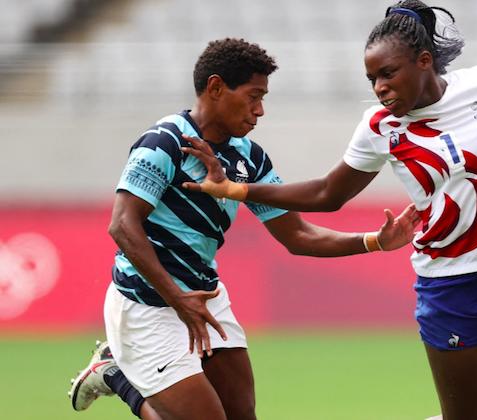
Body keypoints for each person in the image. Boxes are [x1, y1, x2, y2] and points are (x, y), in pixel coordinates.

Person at [181, 2, 477, 419]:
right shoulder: (379, 127)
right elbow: (327, 193)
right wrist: (235, 189)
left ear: (424, 61)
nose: (380, 88)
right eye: (372, 79)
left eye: (388, 74)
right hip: (450, 287)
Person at [67, 37, 420, 420]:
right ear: (216, 88)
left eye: (262, 98)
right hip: (148, 304)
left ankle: (117, 369)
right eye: (253, 96)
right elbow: (122, 225)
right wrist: (177, 299)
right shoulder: (164, 143)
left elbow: (298, 236)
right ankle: (117, 376)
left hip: (204, 296)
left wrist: (374, 241)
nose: (260, 110)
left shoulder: (248, 158)